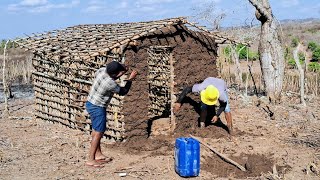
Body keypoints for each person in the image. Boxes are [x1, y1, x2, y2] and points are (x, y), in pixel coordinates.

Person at [85, 61, 137, 167]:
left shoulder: (101, 71)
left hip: (90, 103)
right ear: (115, 74)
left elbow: (113, 76)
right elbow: (123, 91)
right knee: (99, 132)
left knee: (95, 130)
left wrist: (122, 70)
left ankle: (98, 154)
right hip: (98, 107)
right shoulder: (109, 83)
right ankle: (90, 159)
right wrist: (130, 79)